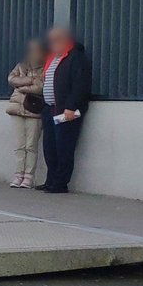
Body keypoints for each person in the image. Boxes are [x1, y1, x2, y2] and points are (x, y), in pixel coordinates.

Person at [37, 25, 93, 194]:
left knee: (64, 147)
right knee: (49, 147)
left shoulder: (75, 58)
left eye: (57, 39)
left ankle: (60, 183)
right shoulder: (51, 58)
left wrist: (71, 106)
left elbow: (80, 85)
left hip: (66, 111)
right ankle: (51, 180)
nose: (53, 43)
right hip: (49, 109)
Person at [5, 39, 46, 188]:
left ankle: (29, 176)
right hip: (16, 109)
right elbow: (11, 79)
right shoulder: (21, 66)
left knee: (31, 145)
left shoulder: (44, 68)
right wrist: (29, 80)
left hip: (34, 110)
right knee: (19, 145)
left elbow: (41, 87)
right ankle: (18, 174)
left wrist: (22, 87)